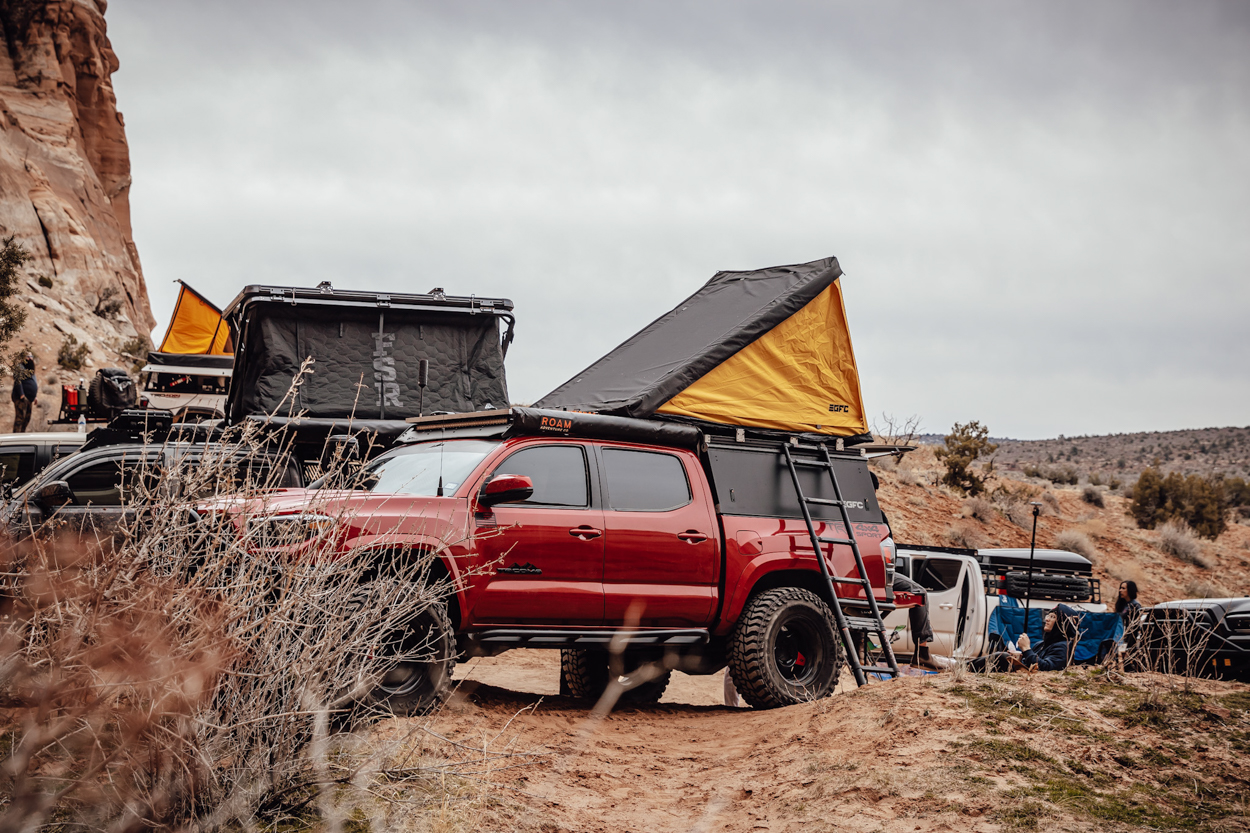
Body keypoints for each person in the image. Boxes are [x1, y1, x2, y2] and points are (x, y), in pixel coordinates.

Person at [967, 606, 1075, 673]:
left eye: (1052, 617)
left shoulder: (1063, 647)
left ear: (1062, 623)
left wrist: (1027, 649)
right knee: (1005, 656)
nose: (1046, 619)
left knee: (1004, 658)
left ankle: (962, 666)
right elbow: (1029, 661)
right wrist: (1019, 656)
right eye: (1048, 615)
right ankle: (961, 666)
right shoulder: (1041, 644)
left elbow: (1047, 668)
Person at [10, 352, 37, 433]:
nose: (30, 358)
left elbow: (32, 381)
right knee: (20, 419)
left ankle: (21, 436)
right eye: (28, 356)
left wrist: (35, 396)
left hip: (29, 399)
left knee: (27, 419)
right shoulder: (20, 367)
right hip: (21, 398)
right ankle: (15, 438)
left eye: (31, 356)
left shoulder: (30, 368)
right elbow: (18, 381)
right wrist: (22, 394)